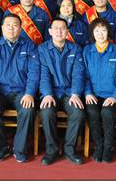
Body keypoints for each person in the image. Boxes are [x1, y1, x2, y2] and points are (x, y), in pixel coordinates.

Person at [0, 14, 39, 163]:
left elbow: (34, 73)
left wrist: (29, 93)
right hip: (0, 93)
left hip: (21, 92)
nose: (11, 28)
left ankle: (19, 149)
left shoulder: (29, 46)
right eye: (8, 25)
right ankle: (2, 148)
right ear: (2, 28)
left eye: (15, 25)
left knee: (28, 109)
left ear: (20, 28)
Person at [38, 18, 86, 166]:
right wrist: (47, 94)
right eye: (56, 28)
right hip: (50, 92)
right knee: (46, 112)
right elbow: (43, 74)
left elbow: (78, 74)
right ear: (50, 31)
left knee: (78, 113)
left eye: (63, 28)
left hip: (69, 92)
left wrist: (75, 94)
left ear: (67, 31)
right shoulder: (42, 49)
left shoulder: (75, 49)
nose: (59, 31)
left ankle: (69, 149)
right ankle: (51, 150)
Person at [83, 18, 116, 163]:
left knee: (107, 112)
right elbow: (83, 75)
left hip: (114, 95)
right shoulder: (87, 51)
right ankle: (99, 146)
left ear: (108, 32)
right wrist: (88, 93)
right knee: (92, 112)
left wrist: (115, 96)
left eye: (103, 30)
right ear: (92, 33)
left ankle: (108, 147)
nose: (100, 34)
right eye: (97, 30)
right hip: (94, 94)